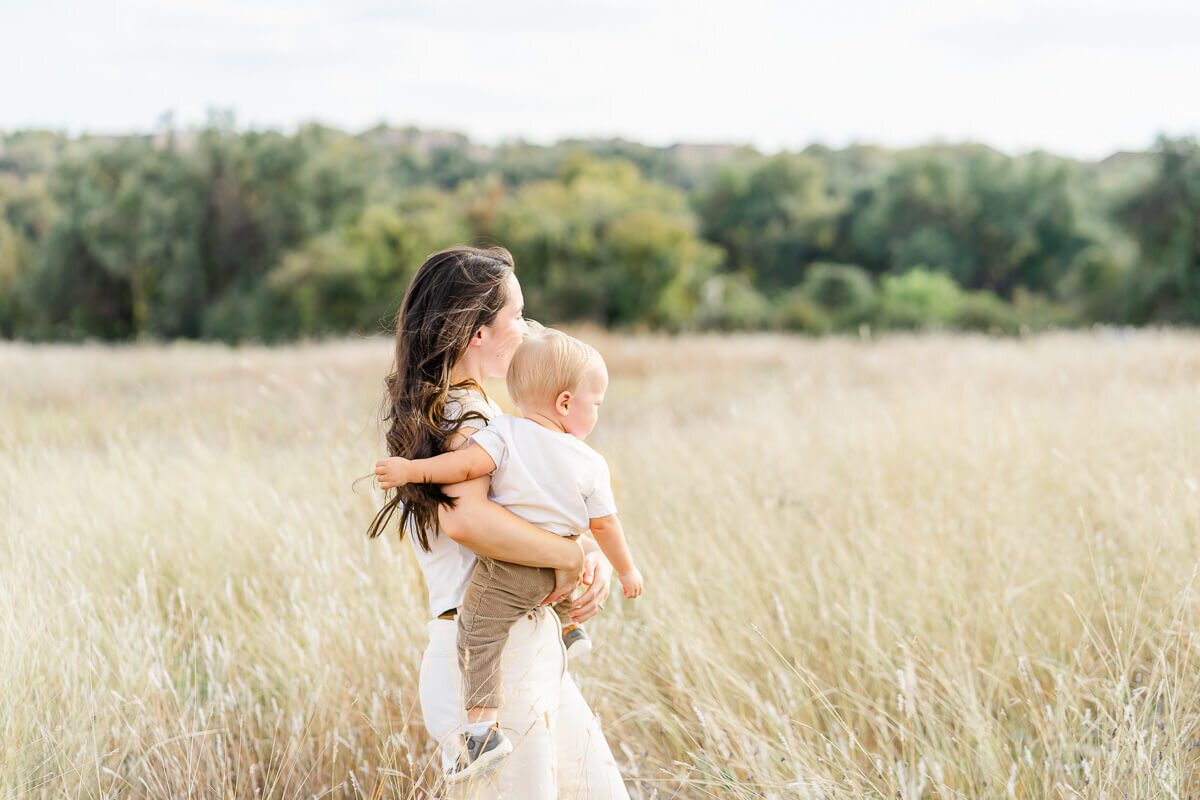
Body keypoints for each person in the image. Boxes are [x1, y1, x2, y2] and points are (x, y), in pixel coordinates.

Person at [365, 246, 630, 799]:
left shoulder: (468, 412)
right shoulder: (468, 416)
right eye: (516, 314)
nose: (527, 327)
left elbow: (534, 515)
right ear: (478, 333)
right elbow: (468, 522)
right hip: (493, 657)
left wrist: (590, 552)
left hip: (517, 648)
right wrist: (572, 557)